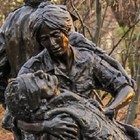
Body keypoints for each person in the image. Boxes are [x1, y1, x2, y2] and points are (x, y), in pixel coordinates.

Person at [18, 3, 135, 115]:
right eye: (45, 39)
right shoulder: (32, 70)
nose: (52, 43)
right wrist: (43, 126)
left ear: (67, 32)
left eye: (55, 35)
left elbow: (125, 88)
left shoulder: (88, 60)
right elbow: (13, 115)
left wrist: (109, 109)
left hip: (88, 125)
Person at [5, 70, 140, 140]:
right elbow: (14, 116)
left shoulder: (66, 99)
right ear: (40, 101)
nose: (40, 72)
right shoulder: (64, 125)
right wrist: (43, 126)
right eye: (35, 80)